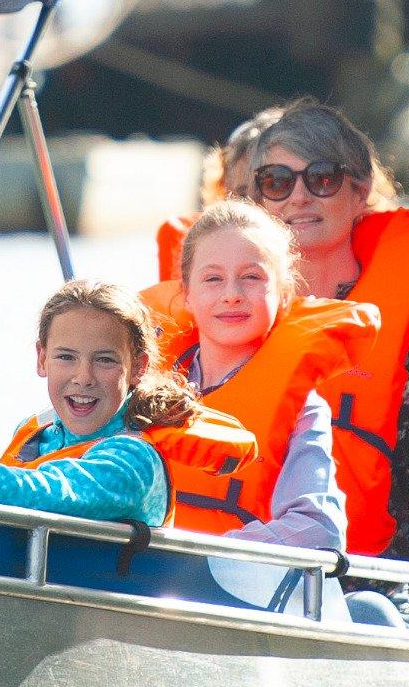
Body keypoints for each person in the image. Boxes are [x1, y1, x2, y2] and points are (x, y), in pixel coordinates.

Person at [157, 102, 409, 624]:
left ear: (359, 190)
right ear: (257, 198)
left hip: (366, 586)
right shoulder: (231, 316)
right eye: (277, 182)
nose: (299, 196)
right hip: (223, 583)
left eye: (323, 178)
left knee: (374, 612)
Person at [0, 281, 254, 526]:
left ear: (139, 367)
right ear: (41, 359)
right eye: (65, 357)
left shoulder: (133, 461)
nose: (83, 377)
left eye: (105, 360)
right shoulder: (36, 433)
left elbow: (49, 492)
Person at [151, 199, 365, 551]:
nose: (232, 295)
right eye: (213, 279)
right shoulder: (140, 388)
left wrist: (207, 555)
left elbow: (319, 530)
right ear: (187, 294)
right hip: (133, 574)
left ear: (284, 295)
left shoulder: (303, 410)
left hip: (227, 580)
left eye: (252, 277)